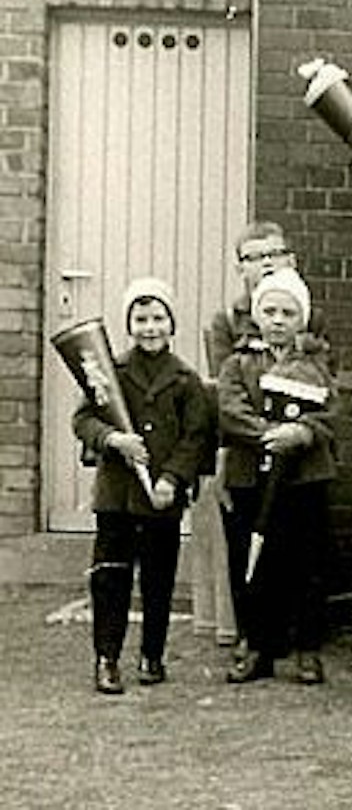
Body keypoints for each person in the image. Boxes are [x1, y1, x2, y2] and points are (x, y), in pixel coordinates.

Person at [75, 279, 214, 694]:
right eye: (140, 318)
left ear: (171, 323)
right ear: (128, 324)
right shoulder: (108, 372)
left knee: (158, 578)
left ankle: (152, 654)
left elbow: (196, 437)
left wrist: (172, 479)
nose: (149, 327)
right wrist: (113, 440)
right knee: (111, 577)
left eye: (158, 318)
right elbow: (83, 419)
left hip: (161, 498)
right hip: (117, 496)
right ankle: (107, 659)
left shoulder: (186, 380)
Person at [215, 270, 339, 685]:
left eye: (288, 312)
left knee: (306, 562)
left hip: (304, 478)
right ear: (257, 315)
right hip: (250, 476)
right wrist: (269, 436)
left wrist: (302, 432)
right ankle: (256, 645)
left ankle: (307, 648)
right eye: (270, 311)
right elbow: (231, 411)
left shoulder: (314, 364)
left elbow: (329, 411)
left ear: (301, 319)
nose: (278, 320)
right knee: (251, 564)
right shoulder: (239, 362)